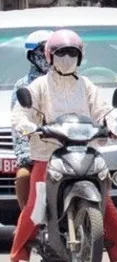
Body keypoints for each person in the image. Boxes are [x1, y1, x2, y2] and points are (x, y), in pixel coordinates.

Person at [11, 29, 117, 262]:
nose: (67, 58)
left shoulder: (86, 85)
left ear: (80, 57)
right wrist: (27, 126)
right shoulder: (39, 86)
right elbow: (20, 114)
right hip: (47, 156)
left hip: (84, 152)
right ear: (49, 56)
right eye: (61, 53)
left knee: (107, 205)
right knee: (35, 207)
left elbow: (103, 111)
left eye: (72, 53)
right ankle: (18, 257)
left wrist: (114, 125)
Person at [11, 30, 53, 210]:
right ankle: (27, 224)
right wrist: (26, 155)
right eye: (42, 51)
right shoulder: (23, 86)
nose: (47, 56)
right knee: (23, 176)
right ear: (32, 55)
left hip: (67, 144)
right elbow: (18, 123)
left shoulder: (68, 80)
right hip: (37, 148)